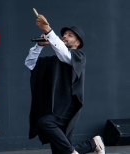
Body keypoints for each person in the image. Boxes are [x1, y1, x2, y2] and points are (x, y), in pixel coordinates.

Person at [25, 14, 105, 154]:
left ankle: (78, 150)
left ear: (77, 43)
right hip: (55, 105)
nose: (65, 37)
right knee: (60, 151)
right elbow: (30, 63)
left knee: (45, 122)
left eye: (70, 35)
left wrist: (49, 31)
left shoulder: (79, 57)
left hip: (67, 104)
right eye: (64, 35)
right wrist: (39, 46)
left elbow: (64, 54)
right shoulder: (54, 60)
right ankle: (92, 144)